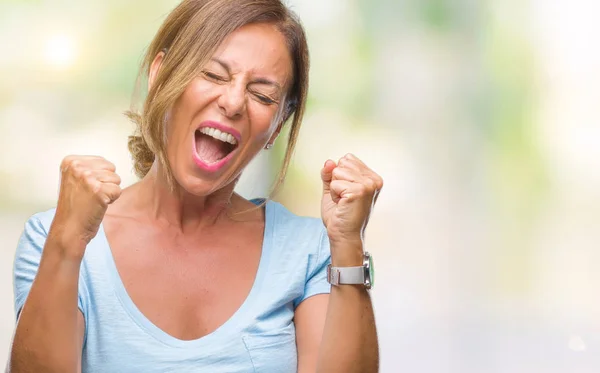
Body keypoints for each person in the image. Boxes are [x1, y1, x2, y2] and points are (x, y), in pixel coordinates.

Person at [8, 1, 383, 372]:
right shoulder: (53, 238)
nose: (233, 102)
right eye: (214, 75)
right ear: (161, 75)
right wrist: (67, 241)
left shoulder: (308, 252)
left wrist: (349, 243)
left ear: (278, 125)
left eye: (263, 95)